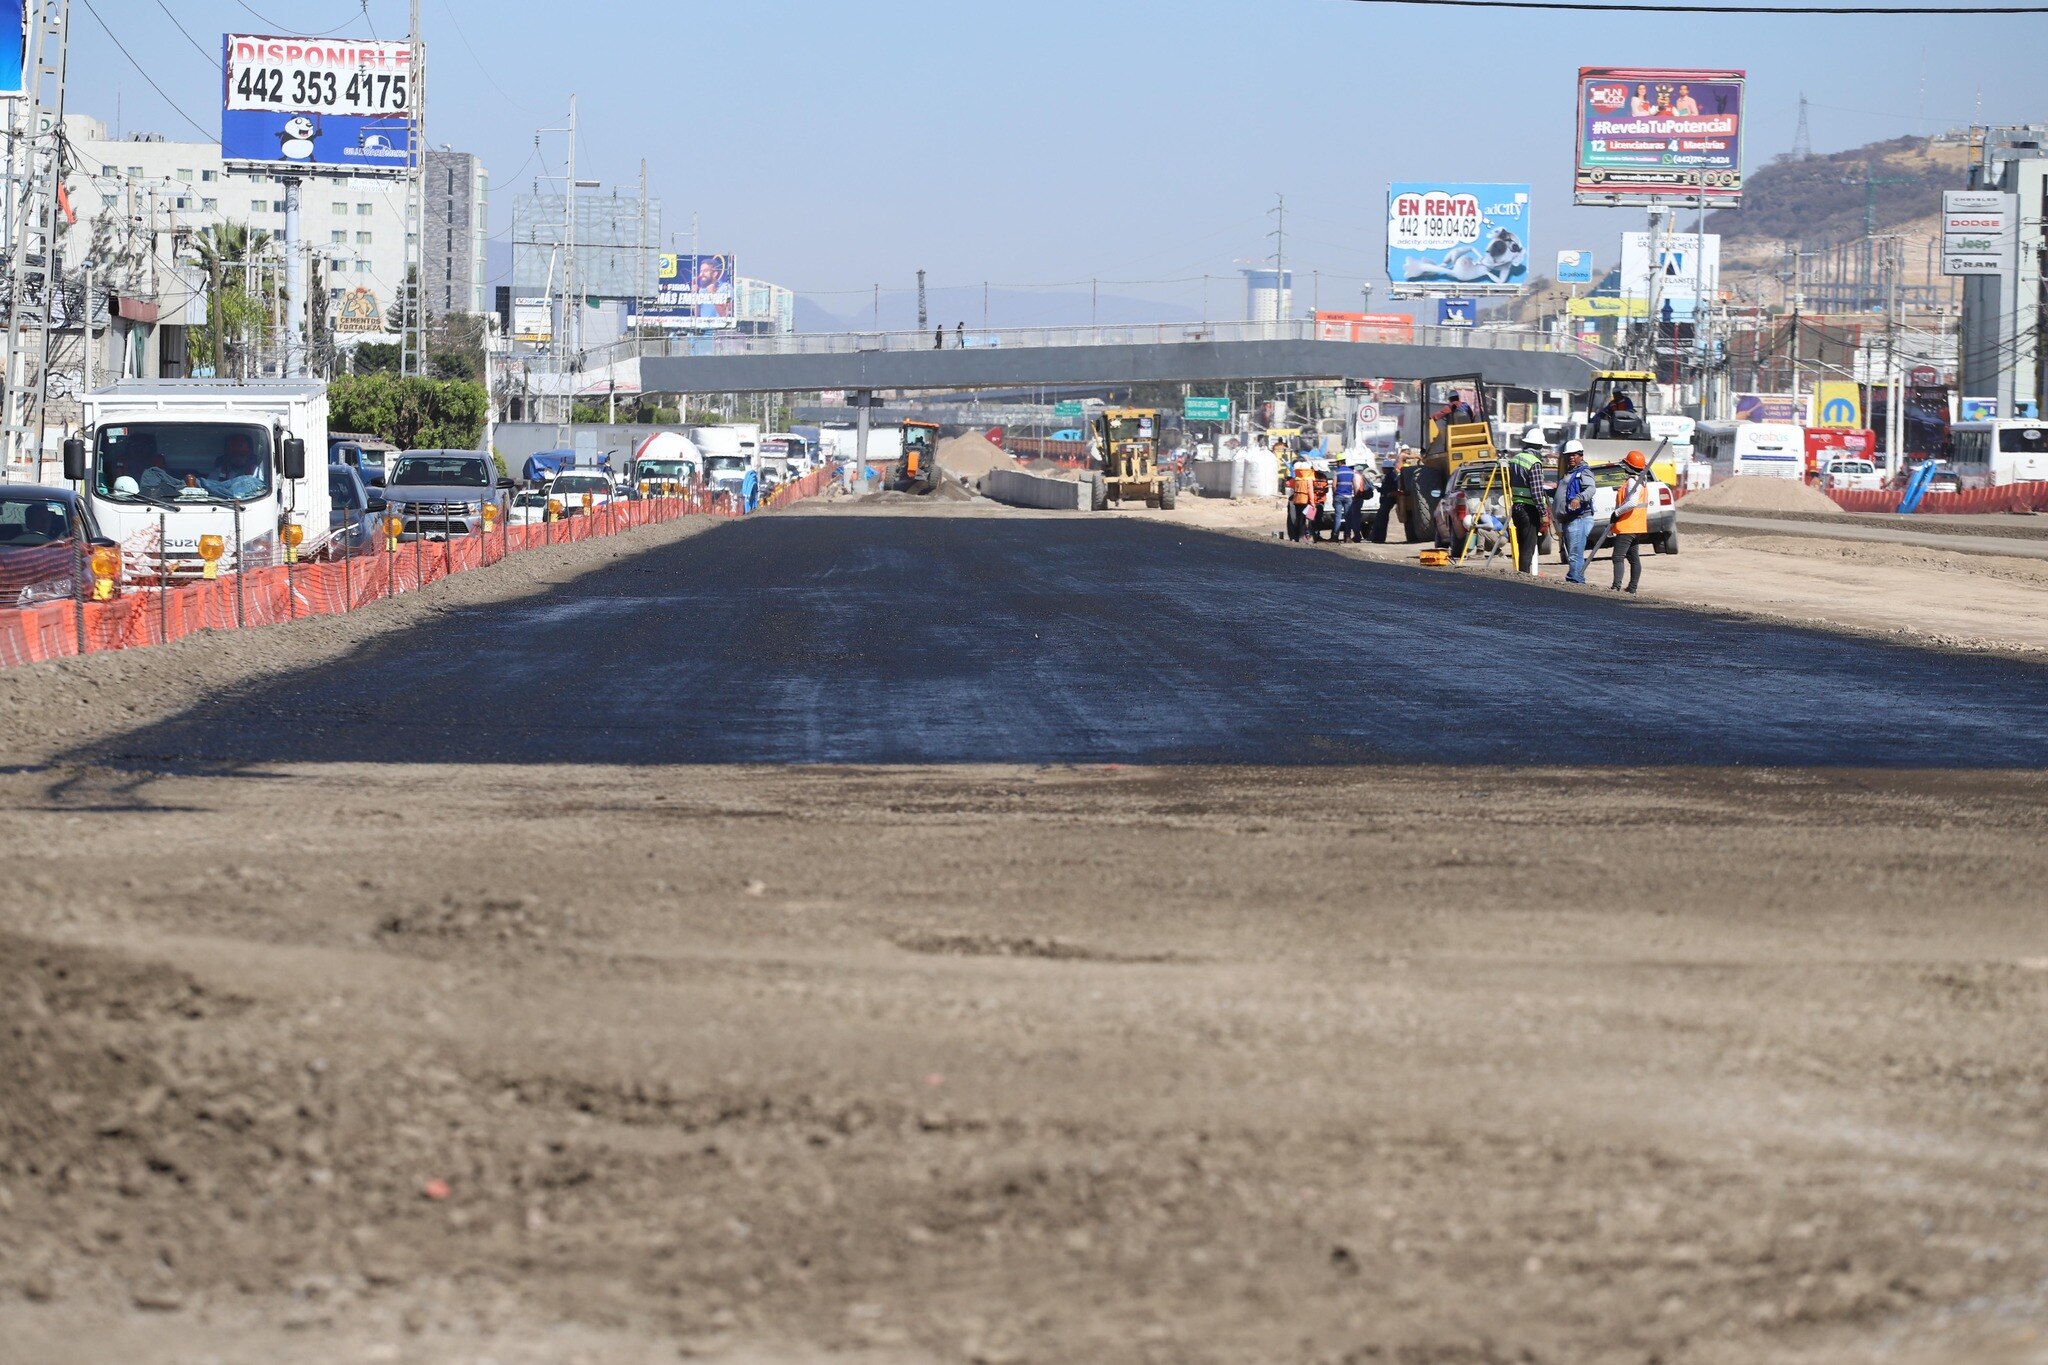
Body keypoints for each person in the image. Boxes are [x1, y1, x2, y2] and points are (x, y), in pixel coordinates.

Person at [1507, 426, 1551, 574]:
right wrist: (1543, 513)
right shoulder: (1534, 463)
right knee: (1528, 546)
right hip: (1529, 508)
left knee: (1521, 543)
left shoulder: (1515, 459)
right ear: (1539, 446)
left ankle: (1521, 573)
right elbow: (1537, 491)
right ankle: (1524, 576)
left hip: (1517, 507)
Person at [1551, 439, 1596, 584]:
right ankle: (1576, 579)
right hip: (1570, 519)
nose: (1571, 457)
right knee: (1573, 553)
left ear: (1581, 456)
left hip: (1579, 518)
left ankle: (1575, 580)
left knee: (1575, 553)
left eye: (1574, 455)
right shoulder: (1570, 473)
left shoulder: (1584, 472)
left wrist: (1579, 498)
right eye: (1568, 455)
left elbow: (1591, 489)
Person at [1609, 449, 1652, 594]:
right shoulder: (1642, 483)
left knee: (1617, 557)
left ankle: (1616, 586)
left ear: (1628, 466)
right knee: (1633, 558)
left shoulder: (1632, 482)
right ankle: (1632, 588)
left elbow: (1632, 503)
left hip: (1627, 525)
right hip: (1636, 525)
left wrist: (1616, 513)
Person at [1286, 455, 1315, 542]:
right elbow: (1310, 491)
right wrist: (1312, 503)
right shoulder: (1308, 479)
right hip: (1304, 501)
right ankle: (1303, 536)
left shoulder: (1296, 479)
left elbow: (1292, 488)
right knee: (1303, 520)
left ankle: (1295, 536)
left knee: (1297, 519)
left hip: (1296, 500)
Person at [1309, 462, 1332, 542]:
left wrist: (1323, 490)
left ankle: (1317, 535)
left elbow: (1326, 489)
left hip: (1320, 502)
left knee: (1318, 519)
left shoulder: (1324, 477)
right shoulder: (1311, 476)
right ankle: (1311, 535)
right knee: (1311, 519)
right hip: (1312, 502)